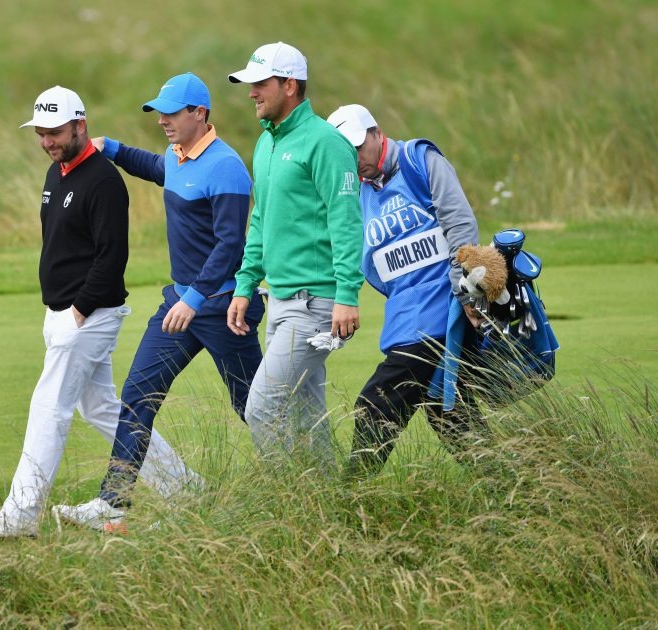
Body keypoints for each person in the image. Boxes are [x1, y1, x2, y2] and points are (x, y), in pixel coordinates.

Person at [0, 86, 195, 538]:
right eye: (41, 134)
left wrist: (77, 313)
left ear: (79, 126)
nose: (47, 141)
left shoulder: (103, 180)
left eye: (55, 132)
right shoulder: (59, 173)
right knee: (104, 410)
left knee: (48, 406)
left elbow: (112, 259)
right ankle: (185, 488)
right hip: (64, 314)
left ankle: (21, 514)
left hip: (88, 317)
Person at [53, 73, 264, 531]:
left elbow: (231, 245)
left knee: (254, 407)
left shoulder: (226, 167)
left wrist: (193, 297)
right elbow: (156, 167)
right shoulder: (180, 156)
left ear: (200, 114)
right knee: (137, 395)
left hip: (226, 308)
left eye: (172, 113)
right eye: (160, 113)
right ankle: (113, 505)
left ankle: (300, 483)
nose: (163, 120)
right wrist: (112, 150)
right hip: (182, 306)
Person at [326, 103, 486, 476]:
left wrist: (466, 294)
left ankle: (350, 498)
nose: (355, 159)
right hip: (405, 313)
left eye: (358, 148)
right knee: (449, 413)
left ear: (377, 133)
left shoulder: (420, 160)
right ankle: (521, 492)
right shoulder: (356, 192)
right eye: (345, 154)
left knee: (375, 401)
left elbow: (460, 226)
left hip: (446, 308)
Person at [225, 42, 364, 465]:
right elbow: (261, 220)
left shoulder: (325, 142)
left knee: (262, 410)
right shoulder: (265, 144)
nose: (251, 93)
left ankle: (286, 505)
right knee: (308, 419)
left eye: (260, 84)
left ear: (289, 85)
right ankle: (330, 510)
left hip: (315, 305)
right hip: (281, 300)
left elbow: (346, 221)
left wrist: (347, 295)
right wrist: (245, 284)